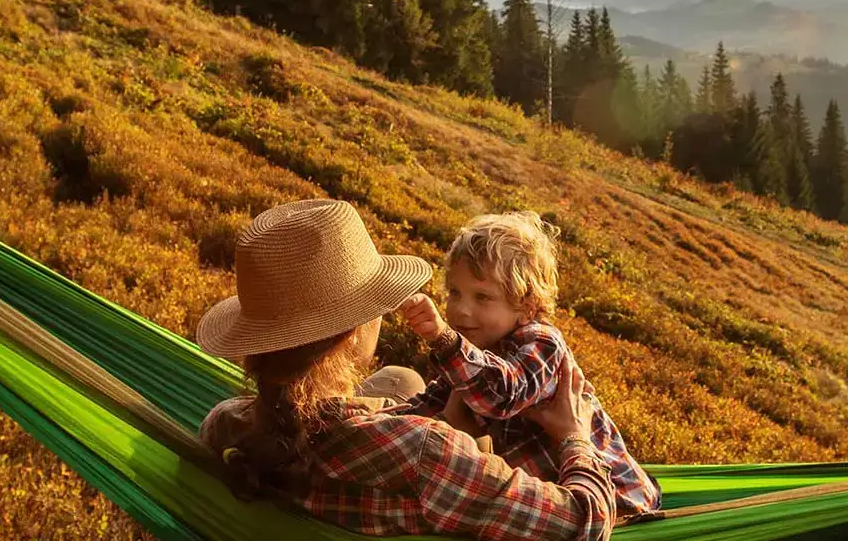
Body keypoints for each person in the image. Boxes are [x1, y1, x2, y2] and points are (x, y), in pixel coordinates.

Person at [195, 200, 616, 540]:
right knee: (405, 383)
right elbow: (585, 524)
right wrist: (574, 437)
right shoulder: (427, 453)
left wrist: (442, 419)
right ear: (354, 333)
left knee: (402, 379)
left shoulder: (234, 422)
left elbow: (340, 428)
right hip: (434, 477)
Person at [391, 212, 661, 515]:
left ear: (526, 307)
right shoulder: (478, 354)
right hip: (560, 505)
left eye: (482, 297)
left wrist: (443, 338)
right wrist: (369, 423)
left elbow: (501, 394)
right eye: (455, 293)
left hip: (618, 505)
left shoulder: (542, 345)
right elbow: (426, 406)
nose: (461, 310)